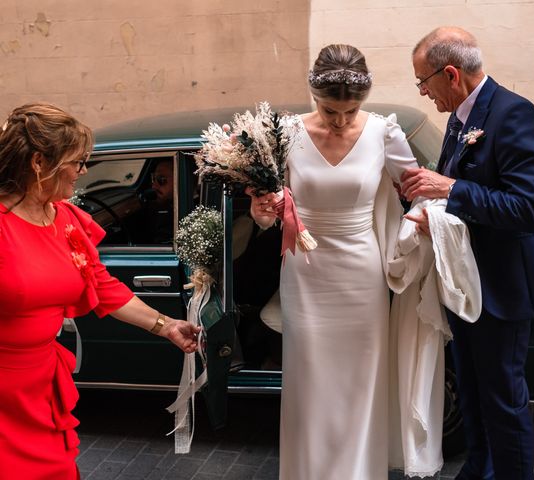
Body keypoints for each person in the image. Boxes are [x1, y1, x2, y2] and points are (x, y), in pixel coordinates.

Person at [247, 44, 423, 479]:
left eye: (350, 111)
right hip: (306, 273)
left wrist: (419, 222)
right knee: (310, 381)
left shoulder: (385, 133)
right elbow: (265, 208)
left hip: (361, 273)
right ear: (314, 96)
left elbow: (418, 191)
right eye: (330, 111)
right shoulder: (285, 133)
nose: (341, 121)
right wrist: (261, 212)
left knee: (360, 381)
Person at [0, 102, 200, 479]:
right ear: (40, 163)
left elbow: (101, 284)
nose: (83, 171)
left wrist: (165, 325)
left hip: (41, 386)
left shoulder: (67, 220)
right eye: (76, 161)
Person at [402, 27, 534, 479]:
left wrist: (449, 187)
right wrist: (422, 193)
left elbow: (528, 208)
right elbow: (458, 191)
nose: (423, 92)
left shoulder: (514, 114)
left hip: (501, 289)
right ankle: (478, 470)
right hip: (464, 286)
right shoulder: (458, 118)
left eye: (422, 82)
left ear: (450, 74)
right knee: (471, 394)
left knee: (504, 401)